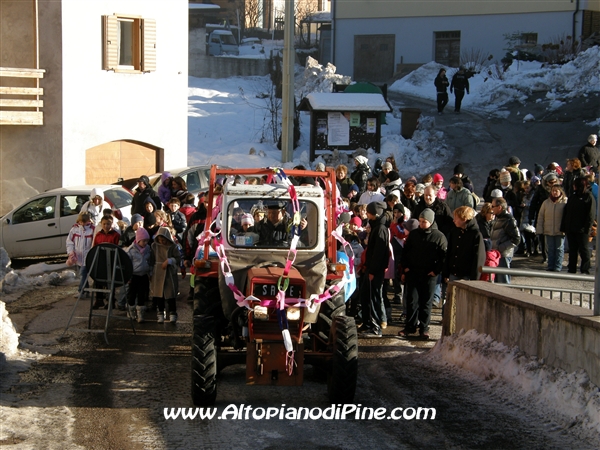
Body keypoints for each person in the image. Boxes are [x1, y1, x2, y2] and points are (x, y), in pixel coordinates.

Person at [399, 208, 447, 339]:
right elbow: (406, 252)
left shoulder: (439, 237)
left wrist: (436, 271)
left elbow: (443, 257)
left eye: (424, 222)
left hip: (429, 275)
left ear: (430, 222)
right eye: (420, 221)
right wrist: (406, 268)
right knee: (412, 301)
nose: (421, 224)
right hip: (413, 272)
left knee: (426, 302)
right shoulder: (414, 235)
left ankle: (424, 328)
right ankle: (410, 326)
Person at [357, 201, 389, 338]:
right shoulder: (376, 227)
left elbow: (379, 253)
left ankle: (375, 327)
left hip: (374, 271)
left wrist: (372, 271)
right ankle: (367, 323)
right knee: (365, 297)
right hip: (370, 268)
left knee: (373, 298)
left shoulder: (380, 229)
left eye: (369, 212)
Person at [560, 177, 596, 274]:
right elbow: (566, 212)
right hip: (571, 228)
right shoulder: (573, 196)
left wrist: (587, 228)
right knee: (572, 250)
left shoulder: (588, 197)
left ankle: (585, 268)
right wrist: (564, 226)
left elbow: (590, 215)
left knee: (584, 249)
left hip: (582, 229)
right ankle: (571, 268)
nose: (573, 186)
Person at [443, 206, 485, 283]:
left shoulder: (476, 235)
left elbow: (478, 258)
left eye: (456, 218)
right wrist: (446, 272)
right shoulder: (454, 231)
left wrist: (474, 279)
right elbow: (449, 252)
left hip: (467, 276)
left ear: (464, 219)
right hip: (453, 273)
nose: (453, 220)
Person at [149, 227, 181, 323]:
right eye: (160, 240)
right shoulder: (154, 246)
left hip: (169, 273)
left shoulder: (173, 247)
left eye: (163, 239)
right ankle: (160, 313)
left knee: (170, 294)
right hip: (158, 273)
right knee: (159, 295)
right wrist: (150, 272)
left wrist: (170, 261)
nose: (162, 242)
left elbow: (178, 258)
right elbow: (151, 259)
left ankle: (172, 313)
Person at [489, 198, 520, 284]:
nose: (491, 208)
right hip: (496, 254)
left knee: (503, 281)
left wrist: (500, 247)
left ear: (499, 207)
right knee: (497, 281)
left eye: (493, 206)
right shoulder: (498, 218)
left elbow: (516, 239)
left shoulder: (509, 220)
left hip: (503, 254)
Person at [536, 186, 567, 271]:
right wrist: (539, 229)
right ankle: (550, 266)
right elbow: (541, 217)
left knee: (559, 249)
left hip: (560, 230)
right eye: (553, 191)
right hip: (548, 230)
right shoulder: (546, 203)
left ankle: (557, 266)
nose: (554, 192)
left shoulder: (565, 202)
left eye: (556, 191)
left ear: (560, 192)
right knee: (550, 249)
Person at [125, 227, 152, 323]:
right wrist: (127, 276)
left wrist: (150, 272)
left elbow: (150, 261)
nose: (145, 243)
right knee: (132, 294)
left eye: (147, 241)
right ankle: (131, 311)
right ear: (138, 240)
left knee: (142, 294)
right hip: (134, 275)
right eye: (143, 241)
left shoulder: (148, 249)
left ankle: (140, 313)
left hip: (144, 275)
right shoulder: (131, 250)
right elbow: (127, 264)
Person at [66, 212, 95, 297]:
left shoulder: (92, 230)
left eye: (84, 222)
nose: (82, 223)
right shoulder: (74, 229)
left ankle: (81, 291)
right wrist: (71, 252)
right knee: (82, 274)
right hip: (78, 256)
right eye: (81, 222)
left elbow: (93, 243)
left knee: (83, 273)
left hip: (87, 255)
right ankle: (86, 291)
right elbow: (69, 242)